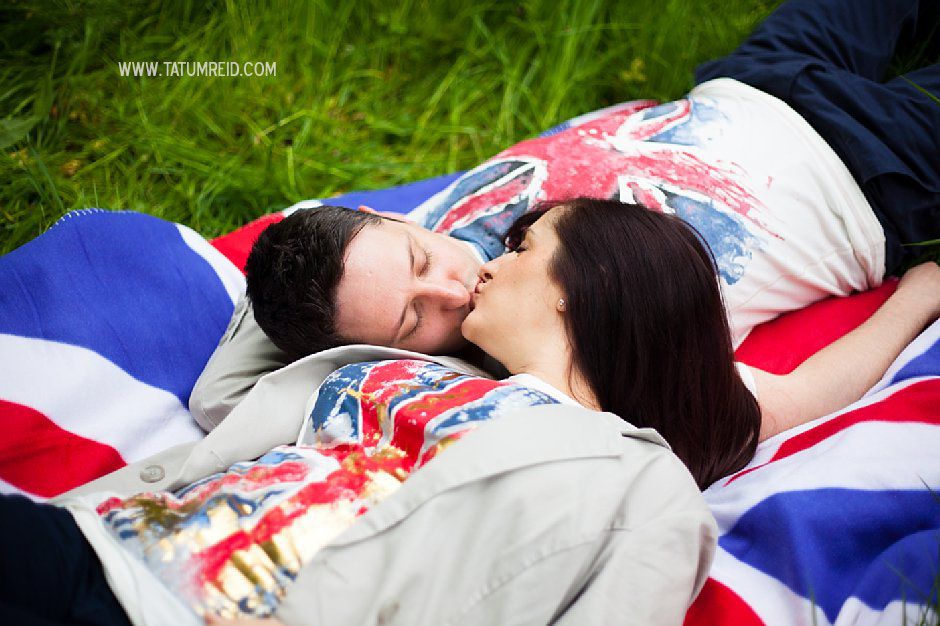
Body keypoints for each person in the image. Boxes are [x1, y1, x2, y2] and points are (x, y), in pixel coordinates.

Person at [4, 196, 938, 626]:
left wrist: (921, 290)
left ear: (578, 287)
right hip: (79, 543)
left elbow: (801, 397)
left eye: (524, 246)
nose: (477, 263)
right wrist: (375, 240)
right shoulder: (393, 364)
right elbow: (241, 364)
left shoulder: (641, 487)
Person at [189, 0, 939, 431]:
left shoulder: (387, 236)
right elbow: (221, 401)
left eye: (421, 262)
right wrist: (920, 294)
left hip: (745, 82)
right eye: (413, 320)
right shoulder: (563, 358)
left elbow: (323, 232)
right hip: (875, 168)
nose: (455, 288)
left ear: (382, 221)